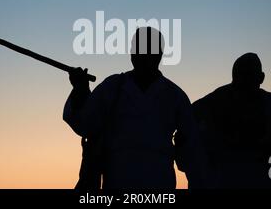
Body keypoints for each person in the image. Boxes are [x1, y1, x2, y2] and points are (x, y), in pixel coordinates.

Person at [63, 27, 202, 189]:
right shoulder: (112, 87)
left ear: (159, 54)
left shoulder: (175, 96)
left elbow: (191, 151)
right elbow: (85, 124)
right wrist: (80, 91)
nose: (143, 56)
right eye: (139, 49)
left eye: (148, 50)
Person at [186, 53, 271, 189]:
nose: (245, 81)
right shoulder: (205, 107)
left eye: (249, 75)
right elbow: (185, 145)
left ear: (261, 78)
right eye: (242, 75)